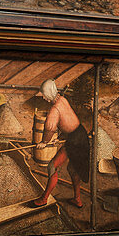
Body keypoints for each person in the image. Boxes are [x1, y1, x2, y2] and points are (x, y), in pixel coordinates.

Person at [32, 79, 89, 208]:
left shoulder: (54, 109)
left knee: (52, 166)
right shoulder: (62, 99)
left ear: (49, 93)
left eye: (44, 95)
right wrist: (63, 136)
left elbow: (50, 128)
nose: (44, 98)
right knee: (72, 169)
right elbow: (69, 121)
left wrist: (44, 142)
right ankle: (77, 200)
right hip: (80, 135)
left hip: (75, 140)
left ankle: (44, 199)